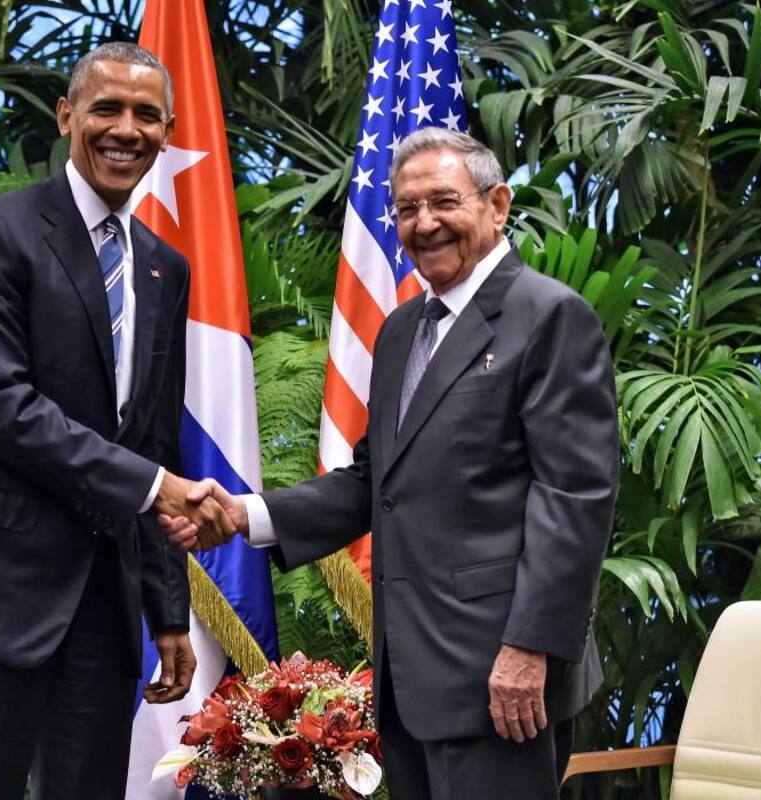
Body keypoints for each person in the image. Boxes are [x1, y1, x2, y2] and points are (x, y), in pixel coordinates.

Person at [164, 128, 619, 799]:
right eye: (407, 209)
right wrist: (242, 515)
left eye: (444, 202)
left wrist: (532, 651)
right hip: (411, 676)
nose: (424, 224)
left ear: (497, 204)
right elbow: (378, 482)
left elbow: (575, 498)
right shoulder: (403, 329)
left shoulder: (550, 316)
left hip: (503, 677)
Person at [0, 42, 233, 800]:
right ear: (67, 114)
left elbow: (151, 442)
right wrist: (153, 486)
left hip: (102, 606)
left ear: (169, 132)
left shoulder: (162, 269)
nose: (125, 129)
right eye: (107, 108)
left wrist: (167, 611)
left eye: (147, 115)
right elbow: (2, 407)